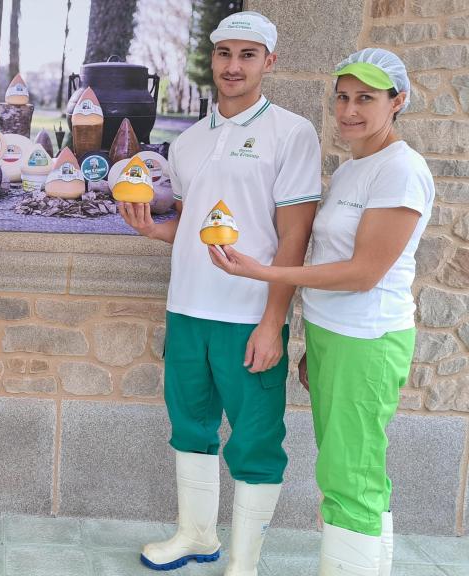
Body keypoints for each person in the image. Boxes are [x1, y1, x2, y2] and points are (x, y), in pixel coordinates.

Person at [208, 48, 432, 576]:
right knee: (353, 469)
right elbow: (332, 260)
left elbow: (362, 273)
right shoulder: (358, 165)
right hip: (337, 337)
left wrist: (264, 274)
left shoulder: (401, 170)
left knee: (347, 474)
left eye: (366, 99)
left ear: (397, 101)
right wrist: (312, 342)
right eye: (343, 98)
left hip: (368, 340)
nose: (350, 110)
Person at [119, 11, 322, 573]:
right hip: (186, 309)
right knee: (190, 427)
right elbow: (194, 226)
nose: (233, 66)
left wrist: (272, 321)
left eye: (248, 55)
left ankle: (244, 560)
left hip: (247, 315)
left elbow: (294, 236)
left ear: (269, 62)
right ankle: (195, 535)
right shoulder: (189, 141)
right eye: (225, 53)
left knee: (255, 440)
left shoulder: (292, 132)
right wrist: (154, 230)